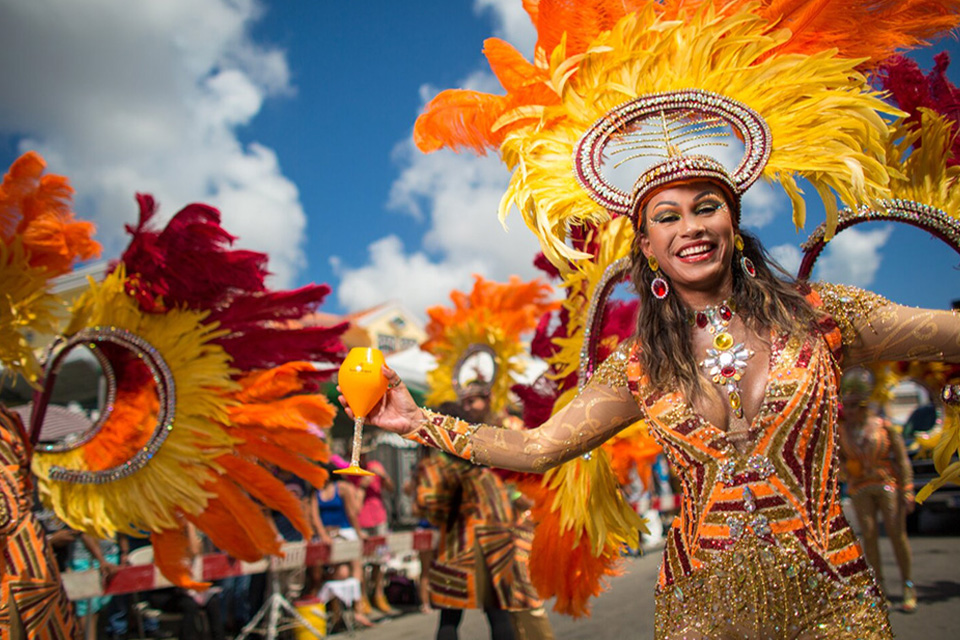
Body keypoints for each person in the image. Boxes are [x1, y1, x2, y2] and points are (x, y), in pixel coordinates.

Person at [413, 400, 540, 640]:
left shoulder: (435, 469)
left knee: (449, 618)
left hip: (454, 549)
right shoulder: (481, 464)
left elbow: (425, 510)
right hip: (490, 548)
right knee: (498, 615)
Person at [838, 369, 917, 612]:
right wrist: (847, 470)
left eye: (853, 406)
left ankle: (907, 585)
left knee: (896, 533)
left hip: (886, 484)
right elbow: (837, 462)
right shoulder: (842, 432)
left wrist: (907, 489)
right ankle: (879, 587)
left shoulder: (884, 426)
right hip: (860, 488)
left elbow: (902, 460)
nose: (848, 411)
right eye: (846, 406)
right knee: (869, 535)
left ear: (863, 406)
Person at [352, 441, 400, 616]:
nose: (363, 457)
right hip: (361, 521)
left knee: (380, 559)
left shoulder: (375, 466)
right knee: (363, 562)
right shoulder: (351, 472)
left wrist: (384, 476)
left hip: (379, 518)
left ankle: (378, 594)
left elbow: (392, 489)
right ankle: (363, 597)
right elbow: (353, 504)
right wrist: (363, 486)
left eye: (365, 454)